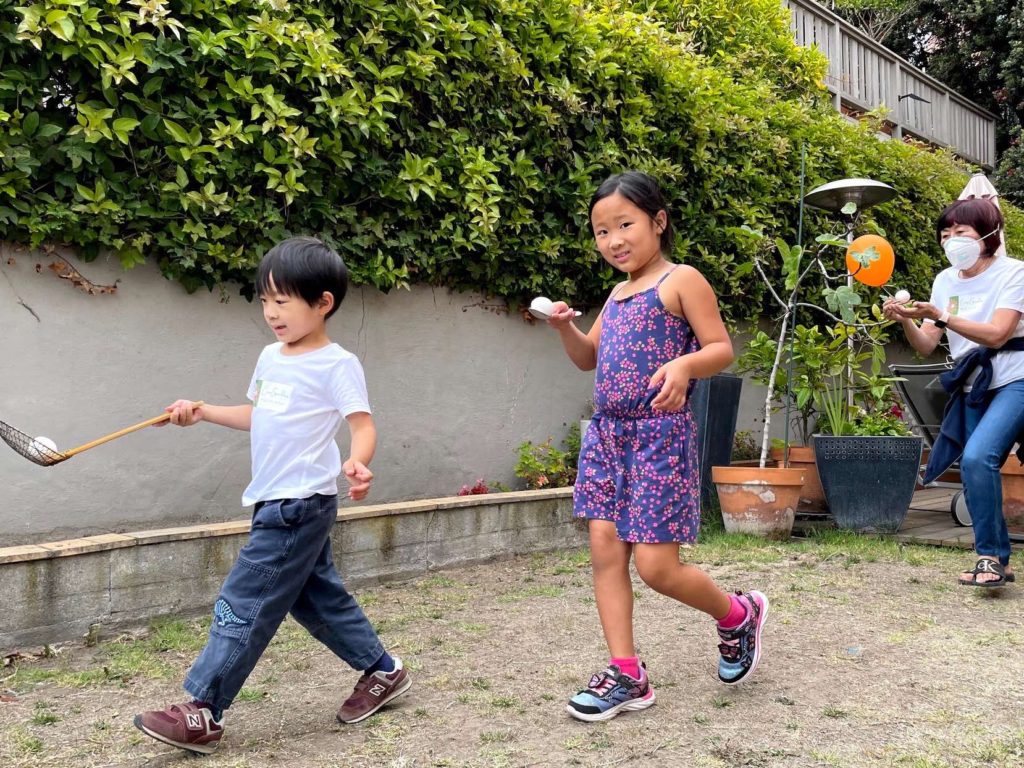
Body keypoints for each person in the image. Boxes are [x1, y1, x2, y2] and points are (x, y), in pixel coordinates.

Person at [133, 237, 411, 754]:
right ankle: (383, 670)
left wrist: (358, 460)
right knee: (315, 598)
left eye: (283, 300)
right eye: (265, 300)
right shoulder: (270, 356)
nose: (271, 312)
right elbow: (259, 415)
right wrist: (203, 411)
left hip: (300, 503)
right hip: (272, 500)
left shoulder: (337, 364)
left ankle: (203, 710)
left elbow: (363, 424)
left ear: (323, 302)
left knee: (244, 601)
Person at [543, 171, 769, 722]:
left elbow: (720, 348)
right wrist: (565, 328)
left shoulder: (681, 279)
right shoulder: (616, 293)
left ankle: (738, 614)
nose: (614, 240)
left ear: (658, 222)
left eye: (624, 224)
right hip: (607, 435)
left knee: (656, 567)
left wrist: (684, 365)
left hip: (658, 440)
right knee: (603, 549)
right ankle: (626, 672)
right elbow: (587, 358)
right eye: (601, 231)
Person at [884, 198, 1024, 588]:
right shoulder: (945, 280)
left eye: (960, 233)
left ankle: (990, 556)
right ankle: (994, 560)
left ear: (989, 235)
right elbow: (927, 344)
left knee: (980, 456)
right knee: (976, 464)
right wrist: (906, 321)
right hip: (972, 384)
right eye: (945, 235)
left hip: (1017, 378)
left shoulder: (1015, 273)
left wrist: (941, 315)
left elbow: (997, 333)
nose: (951, 241)